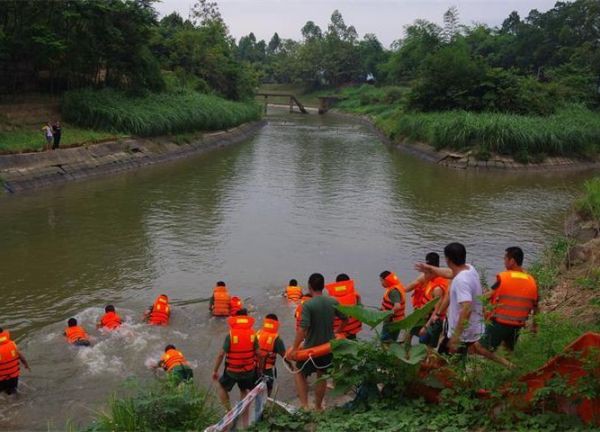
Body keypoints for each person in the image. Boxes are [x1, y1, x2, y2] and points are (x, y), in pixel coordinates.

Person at [290, 273, 345, 411]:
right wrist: (337, 332)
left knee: (298, 372)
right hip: (327, 347)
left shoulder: (308, 305)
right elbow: (346, 318)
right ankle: (318, 407)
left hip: (311, 348)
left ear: (309, 287)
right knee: (322, 376)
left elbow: (302, 329)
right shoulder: (333, 301)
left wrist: (295, 348)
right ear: (323, 286)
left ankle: (304, 406)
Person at [474, 247, 538, 357]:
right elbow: (536, 305)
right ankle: (508, 371)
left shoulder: (504, 278)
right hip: (518, 324)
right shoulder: (531, 280)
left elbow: (487, 296)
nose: (504, 261)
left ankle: (508, 366)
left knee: (479, 347)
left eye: (505, 258)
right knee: (507, 351)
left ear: (512, 261)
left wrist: (472, 301)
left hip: (500, 322)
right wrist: (534, 326)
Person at [212, 309, 259, 410]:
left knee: (221, 386)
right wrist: (259, 368)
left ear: (235, 319)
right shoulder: (253, 334)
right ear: (247, 318)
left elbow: (221, 354)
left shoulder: (231, 335)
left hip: (232, 371)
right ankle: (243, 410)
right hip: (248, 371)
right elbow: (259, 354)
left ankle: (228, 410)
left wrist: (215, 370)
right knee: (244, 390)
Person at [404, 253, 449, 348]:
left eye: (425, 272)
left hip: (433, 318)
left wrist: (425, 327)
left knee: (426, 345)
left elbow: (437, 311)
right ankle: (407, 353)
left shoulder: (437, 288)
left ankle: (425, 359)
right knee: (409, 332)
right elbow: (410, 286)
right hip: (423, 313)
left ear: (432, 271)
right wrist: (399, 290)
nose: (423, 275)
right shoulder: (427, 277)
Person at [256, 314, 293, 396]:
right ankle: (267, 401)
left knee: (255, 388)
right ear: (276, 324)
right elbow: (284, 356)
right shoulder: (276, 339)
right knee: (268, 387)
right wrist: (290, 365)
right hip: (267, 368)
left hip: (254, 367)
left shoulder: (258, 333)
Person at [325, 273, 362, 340]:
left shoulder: (330, 297)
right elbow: (361, 310)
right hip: (352, 330)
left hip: (337, 331)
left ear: (336, 284)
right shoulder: (356, 295)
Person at [0, 328, 30, 395]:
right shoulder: (12, 344)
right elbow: (21, 356)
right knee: (13, 392)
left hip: (1, 378)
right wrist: (26, 365)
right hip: (13, 376)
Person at [379, 271, 406, 343]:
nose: (381, 283)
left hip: (392, 321)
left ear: (386, 280)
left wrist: (387, 313)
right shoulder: (396, 287)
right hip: (397, 319)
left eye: (381, 281)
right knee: (392, 340)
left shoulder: (393, 291)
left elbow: (397, 306)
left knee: (385, 340)